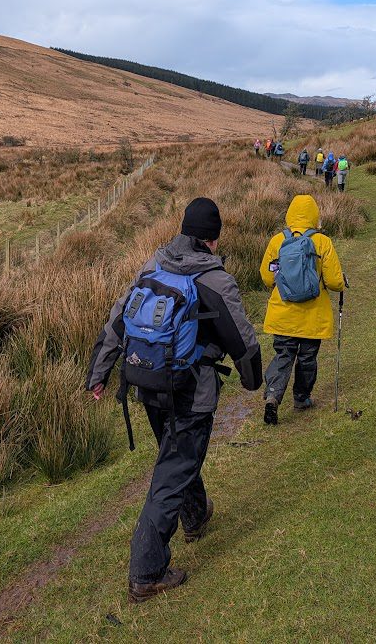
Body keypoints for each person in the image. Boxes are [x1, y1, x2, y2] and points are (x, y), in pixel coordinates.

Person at [87, 198, 263, 603]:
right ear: (213, 239)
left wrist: (98, 374)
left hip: (148, 383)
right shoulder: (215, 280)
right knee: (173, 471)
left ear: (184, 231)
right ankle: (146, 572)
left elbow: (117, 319)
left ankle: (196, 516)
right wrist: (254, 382)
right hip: (190, 391)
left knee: (177, 457)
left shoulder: (154, 264)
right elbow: (242, 339)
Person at [259, 194, 345, 424]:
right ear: (315, 216)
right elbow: (335, 282)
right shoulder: (322, 242)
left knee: (283, 354)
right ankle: (301, 398)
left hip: (283, 313)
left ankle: (273, 396)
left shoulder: (277, 241)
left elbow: (267, 278)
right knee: (307, 357)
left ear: (289, 214)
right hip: (312, 316)